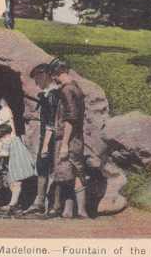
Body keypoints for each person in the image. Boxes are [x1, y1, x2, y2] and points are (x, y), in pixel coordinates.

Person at [48, 58, 89, 219]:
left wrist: (64, 144)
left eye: (54, 76)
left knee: (66, 172)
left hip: (68, 137)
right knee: (76, 171)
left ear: (56, 74)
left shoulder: (66, 90)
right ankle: (74, 210)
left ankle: (78, 211)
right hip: (77, 137)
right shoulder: (76, 88)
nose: (54, 80)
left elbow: (70, 119)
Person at [23, 63, 60, 216]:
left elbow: (51, 123)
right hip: (48, 135)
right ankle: (42, 202)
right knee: (42, 167)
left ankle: (44, 203)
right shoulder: (48, 94)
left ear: (44, 75)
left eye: (37, 78)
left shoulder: (52, 95)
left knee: (45, 167)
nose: (36, 82)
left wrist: (45, 145)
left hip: (51, 137)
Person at [0, 123, 36, 213]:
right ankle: (15, 203)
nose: (1, 141)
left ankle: (13, 204)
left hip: (17, 164)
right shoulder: (16, 139)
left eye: (0, 138)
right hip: (23, 163)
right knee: (16, 184)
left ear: (5, 135)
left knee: (16, 184)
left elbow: (5, 153)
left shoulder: (7, 141)